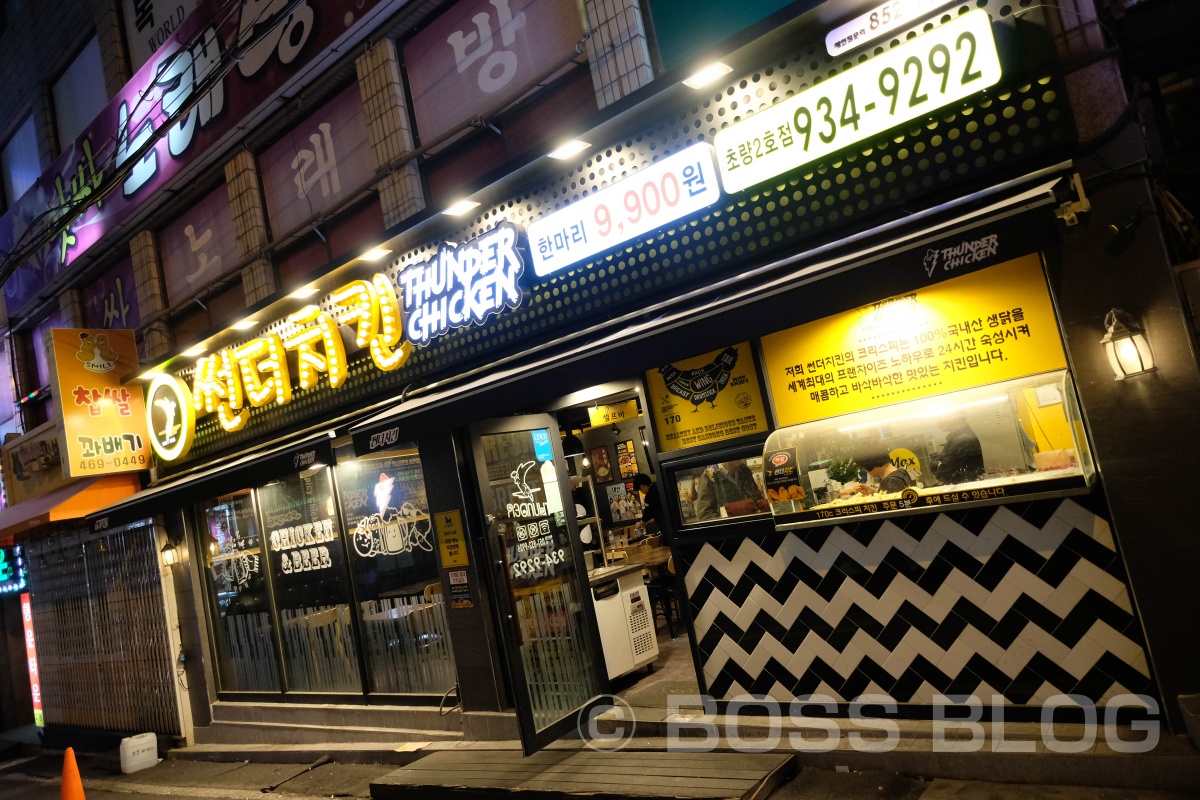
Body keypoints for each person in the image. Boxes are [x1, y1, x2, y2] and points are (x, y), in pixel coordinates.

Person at [932, 412, 985, 484]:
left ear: (956, 417)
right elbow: (936, 461)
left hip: (967, 489)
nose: (938, 422)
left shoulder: (963, 439)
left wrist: (938, 465)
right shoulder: (954, 438)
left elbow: (943, 473)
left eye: (941, 418)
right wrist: (937, 464)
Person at [844, 449, 914, 495]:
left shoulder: (889, 481)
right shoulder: (901, 472)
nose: (865, 470)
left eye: (863, 467)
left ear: (869, 464)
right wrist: (874, 492)